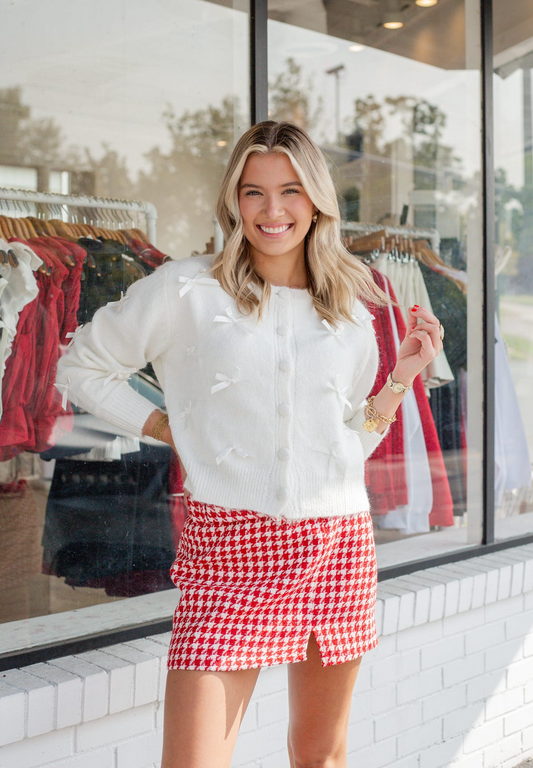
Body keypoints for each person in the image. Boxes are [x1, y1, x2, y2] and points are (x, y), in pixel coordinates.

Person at [56, 120, 444, 768]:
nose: (271, 210)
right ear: (233, 200)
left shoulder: (348, 310)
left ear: (316, 199)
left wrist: (399, 379)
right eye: (253, 191)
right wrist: (164, 428)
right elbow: (81, 365)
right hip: (227, 555)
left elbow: (344, 446)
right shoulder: (186, 289)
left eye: (290, 190)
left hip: (335, 548)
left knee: (319, 756)